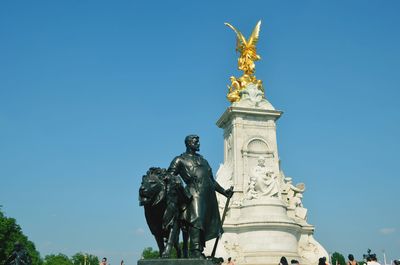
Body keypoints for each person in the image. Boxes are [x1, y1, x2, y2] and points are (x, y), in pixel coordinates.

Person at [167, 135, 233, 258]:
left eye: (198, 142)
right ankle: (195, 250)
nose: (198, 144)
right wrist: (177, 184)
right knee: (196, 219)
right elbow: (170, 175)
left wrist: (224, 192)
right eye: (195, 142)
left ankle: (199, 250)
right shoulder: (179, 160)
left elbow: (211, 181)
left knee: (204, 222)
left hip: (208, 196)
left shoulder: (203, 161)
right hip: (193, 193)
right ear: (188, 143)